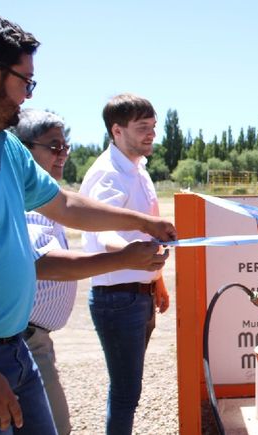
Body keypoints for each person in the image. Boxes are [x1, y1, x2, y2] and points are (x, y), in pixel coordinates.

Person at [0, 12, 175, 434]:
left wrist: (144, 222)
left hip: (13, 349)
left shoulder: (4, 143)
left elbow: (64, 204)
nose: (27, 96)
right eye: (25, 82)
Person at [12, 109, 170, 435]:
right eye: (54, 148)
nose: (63, 156)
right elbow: (45, 264)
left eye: (65, 147)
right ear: (22, 149)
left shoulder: (46, 193)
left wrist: (145, 238)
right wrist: (125, 257)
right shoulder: (29, 198)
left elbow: (76, 209)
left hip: (34, 336)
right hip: (22, 336)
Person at [79, 93, 171, 435]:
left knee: (128, 391)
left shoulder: (138, 169)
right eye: (142, 127)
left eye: (153, 127)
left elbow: (141, 230)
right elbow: (102, 233)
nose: (151, 134)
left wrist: (157, 281)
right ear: (116, 131)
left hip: (137, 293)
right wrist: (133, 252)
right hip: (117, 297)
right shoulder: (107, 173)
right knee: (125, 393)